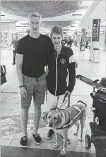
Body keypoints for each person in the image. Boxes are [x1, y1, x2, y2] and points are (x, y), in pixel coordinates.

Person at [16, 12, 54, 147]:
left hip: (41, 79)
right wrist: (21, 85)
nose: (34, 25)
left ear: (40, 23)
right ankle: (24, 135)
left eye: (37, 23)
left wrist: (70, 59)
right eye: (32, 22)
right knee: (24, 108)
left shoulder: (46, 41)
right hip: (26, 80)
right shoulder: (22, 42)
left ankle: (35, 132)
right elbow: (18, 65)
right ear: (29, 23)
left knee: (38, 107)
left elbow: (52, 60)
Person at [46, 26, 76, 140]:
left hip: (64, 89)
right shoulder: (48, 52)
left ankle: (64, 133)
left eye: (58, 37)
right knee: (51, 112)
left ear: (62, 38)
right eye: (54, 37)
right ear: (51, 37)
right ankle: (51, 129)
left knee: (63, 113)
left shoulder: (68, 52)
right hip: (50, 89)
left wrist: (70, 87)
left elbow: (72, 71)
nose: (56, 40)